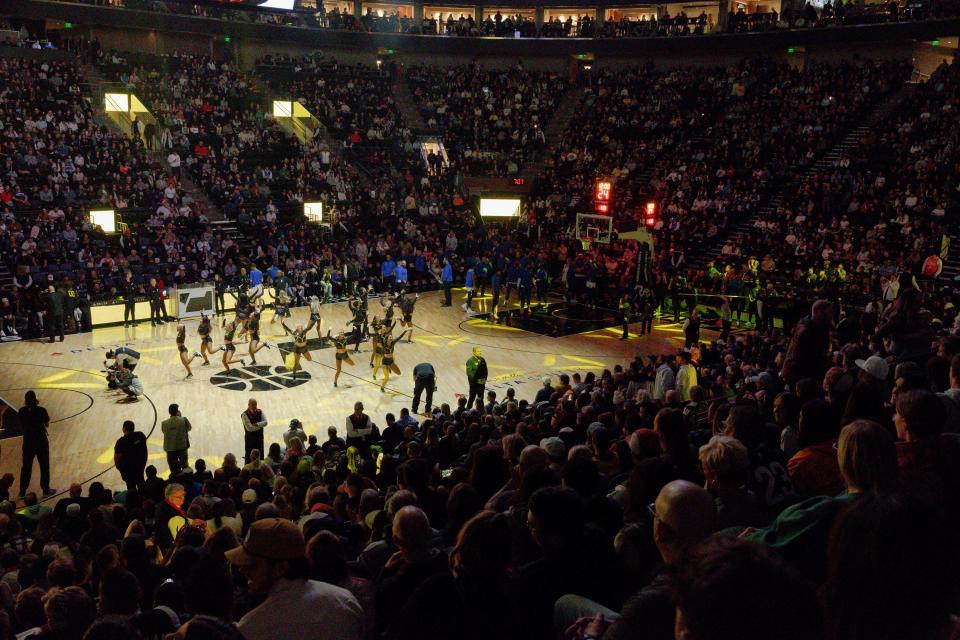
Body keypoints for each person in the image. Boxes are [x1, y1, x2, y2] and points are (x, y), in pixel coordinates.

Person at [226, 518, 362, 640]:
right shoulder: (345, 600)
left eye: (252, 565)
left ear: (281, 568)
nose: (242, 569)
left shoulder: (253, 628)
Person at [18, 390, 54, 499]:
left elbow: (22, 424)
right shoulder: (42, 410)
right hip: (41, 441)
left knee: (26, 467)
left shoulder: (21, 411)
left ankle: (22, 491)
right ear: (35, 399)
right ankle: (45, 490)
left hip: (28, 442)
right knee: (44, 466)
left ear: (25, 400)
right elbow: (46, 423)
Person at [114, 420, 147, 493]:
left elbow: (117, 457)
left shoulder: (120, 442)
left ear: (124, 429)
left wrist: (118, 467)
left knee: (131, 487)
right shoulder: (140, 435)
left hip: (127, 470)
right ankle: (145, 499)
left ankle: (134, 502)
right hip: (140, 466)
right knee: (141, 483)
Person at [378, 328, 412, 392]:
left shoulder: (393, 343)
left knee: (399, 373)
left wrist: (405, 330)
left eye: (392, 337)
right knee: (387, 377)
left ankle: (390, 368)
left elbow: (400, 337)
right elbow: (380, 339)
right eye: (390, 337)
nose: (391, 338)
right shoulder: (384, 344)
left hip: (391, 361)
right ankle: (382, 388)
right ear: (387, 338)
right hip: (384, 362)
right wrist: (379, 334)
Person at [161, 403, 191, 475]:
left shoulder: (164, 423)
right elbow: (189, 428)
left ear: (169, 412)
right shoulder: (183, 419)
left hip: (170, 449)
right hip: (182, 447)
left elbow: (163, 431)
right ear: (177, 411)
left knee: (173, 468)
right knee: (185, 466)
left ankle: (175, 481)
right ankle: (186, 482)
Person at [242, 398, 268, 464]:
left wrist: (257, 424)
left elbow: (266, 422)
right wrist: (260, 426)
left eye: (255, 404)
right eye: (253, 404)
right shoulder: (244, 414)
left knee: (260, 455)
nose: (254, 406)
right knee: (249, 456)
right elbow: (249, 428)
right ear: (248, 405)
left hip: (259, 438)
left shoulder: (260, 411)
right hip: (250, 440)